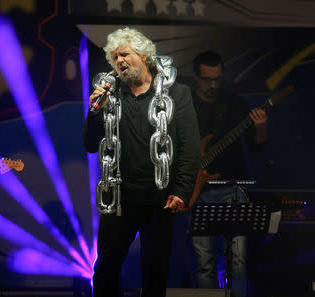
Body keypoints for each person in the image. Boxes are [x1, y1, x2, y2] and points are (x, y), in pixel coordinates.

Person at [83, 27, 200, 297]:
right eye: (115, 58)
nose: (119, 61)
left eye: (124, 54)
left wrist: (181, 191)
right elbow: (90, 146)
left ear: (144, 55)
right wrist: (94, 113)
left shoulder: (176, 93)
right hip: (118, 200)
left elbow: (189, 146)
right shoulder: (110, 96)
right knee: (105, 271)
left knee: (155, 272)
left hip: (159, 200)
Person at [190, 51, 268, 297]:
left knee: (239, 261)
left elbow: (257, 146)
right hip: (199, 190)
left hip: (233, 187)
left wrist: (261, 128)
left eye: (218, 79)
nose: (213, 85)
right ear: (196, 77)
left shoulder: (234, 103)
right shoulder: (185, 104)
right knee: (205, 263)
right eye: (207, 80)